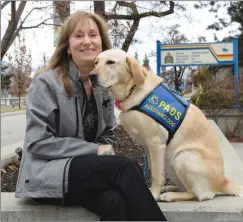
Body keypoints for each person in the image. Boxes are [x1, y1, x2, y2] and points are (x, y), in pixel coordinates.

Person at [15, 11, 167, 221]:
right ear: (68, 47)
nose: (87, 41)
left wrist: (101, 151)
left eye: (93, 35)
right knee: (125, 167)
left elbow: (108, 135)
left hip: (83, 175)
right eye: (78, 36)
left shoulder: (103, 87)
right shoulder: (46, 83)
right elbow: (38, 143)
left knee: (115, 202)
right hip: (46, 176)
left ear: (102, 44)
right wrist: (94, 150)